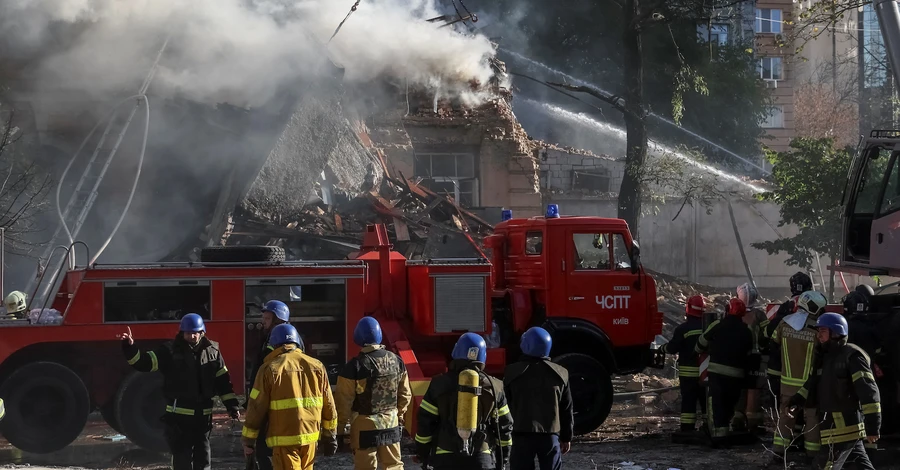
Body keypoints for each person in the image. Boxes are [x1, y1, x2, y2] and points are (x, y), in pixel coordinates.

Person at [117, 314, 241, 470]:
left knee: (203, 460)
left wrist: (232, 406)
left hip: (203, 418)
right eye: (188, 333)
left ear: (202, 332)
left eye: (195, 332)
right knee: (181, 461)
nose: (191, 336)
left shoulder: (213, 352)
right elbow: (144, 363)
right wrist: (130, 348)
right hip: (178, 420)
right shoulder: (169, 351)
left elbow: (223, 382)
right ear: (182, 333)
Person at [788, 313, 880, 470]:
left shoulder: (852, 356)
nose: (819, 336)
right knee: (860, 465)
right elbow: (812, 384)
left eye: (823, 331)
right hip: (832, 426)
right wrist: (796, 401)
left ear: (836, 333)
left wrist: (873, 426)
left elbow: (868, 391)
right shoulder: (825, 357)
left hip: (843, 429)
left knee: (823, 466)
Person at [242, 323, 338, 470]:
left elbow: (256, 407)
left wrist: (249, 440)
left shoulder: (269, 369)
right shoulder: (317, 366)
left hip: (284, 439)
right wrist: (330, 436)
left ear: (274, 344)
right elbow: (329, 404)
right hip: (310, 438)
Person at [415, 332, 514, 470]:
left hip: (445, 457)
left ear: (456, 351)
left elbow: (425, 423)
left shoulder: (439, 384)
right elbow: (504, 426)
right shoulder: (495, 386)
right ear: (483, 356)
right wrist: (503, 459)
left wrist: (423, 455)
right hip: (481, 457)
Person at [335, 316, 412, 470]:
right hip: (391, 423)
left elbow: (344, 401)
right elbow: (405, 394)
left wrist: (340, 429)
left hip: (365, 427)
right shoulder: (397, 361)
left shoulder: (353, 366)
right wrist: (400, 415)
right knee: (394, 466)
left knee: (366, 467)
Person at [504, 327, 573, 470]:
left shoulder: (511, 372)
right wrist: (566, 437)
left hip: (520, 435)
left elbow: (505, 407)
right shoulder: (561, 374)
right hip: (550, 436)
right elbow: (566, 408)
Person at [769, 290, 827, 463]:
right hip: (809, 385)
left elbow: (772, 346)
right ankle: (812, 455)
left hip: (787, 382)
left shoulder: (783, 324)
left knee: (786, 416)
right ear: (815, 308)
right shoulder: (816, 329)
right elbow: (823, 353)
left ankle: (778, 452)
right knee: (812, 417)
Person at [694, 297, 754, 446]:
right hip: (737, 377)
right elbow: (750, 354)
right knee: (729, 405)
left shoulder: (717, 325)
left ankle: (719, 437)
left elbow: (700, 344)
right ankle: (725, 432)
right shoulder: (747, 331)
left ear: (727, 310)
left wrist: (700, 350)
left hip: (718, 375)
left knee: (717, 405)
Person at [246, 300, 293, 470]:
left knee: (268, 452)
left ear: (278, 320)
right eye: (264, 318)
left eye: (267, 319)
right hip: (266, 403)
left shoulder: (283, 344)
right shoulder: (269, 339)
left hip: (273, 408)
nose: (263, 322)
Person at [761, 272, 813, 405]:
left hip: (778, 368)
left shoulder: (784, 308)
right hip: (805, 374)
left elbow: (768, 334)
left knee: (783, 408)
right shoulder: (814, 308)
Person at [663, 295, 707, 432]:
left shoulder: (683, 329)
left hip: (688, 374)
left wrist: (661, 348)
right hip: (705, 374)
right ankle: (708, 427)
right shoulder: (708, 327)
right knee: (706, 401)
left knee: (689, 401)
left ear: (688, 309)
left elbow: (672, 348)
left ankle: (687, 428)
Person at [733, 283, 766, 434]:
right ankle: (752, 423)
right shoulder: (759, 315)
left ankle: (737, 419)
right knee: (753, 390)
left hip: (738, 357)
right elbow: (767, 334)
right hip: (755, 358)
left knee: (739, 388)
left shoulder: (734, 314)